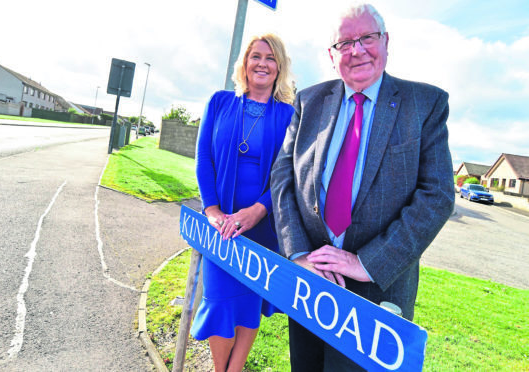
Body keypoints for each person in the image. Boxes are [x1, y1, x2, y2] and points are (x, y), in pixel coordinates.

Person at [270, 3, 455, 371]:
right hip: (310, 283)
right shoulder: (308, 101)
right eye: (345, 43)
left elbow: (437, 196)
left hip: (377, 294)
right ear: (331, 54)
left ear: (385, 41)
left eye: (367, 38)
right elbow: (282, 178)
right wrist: (299, 256)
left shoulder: (425, 104)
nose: (357, 50)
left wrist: (364, 263)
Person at [190, 33, 295, 372]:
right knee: (219, 301)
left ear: (279, 67)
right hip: (222, 227)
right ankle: (221, 369)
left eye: (270, 58)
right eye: (256, 56)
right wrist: (212, 210)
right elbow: (204, 157)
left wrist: (258, 209)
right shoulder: (219, 102)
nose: (262, 63)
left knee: (249, 304)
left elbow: (287, 171)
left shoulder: (289, 115)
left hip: (263, 227)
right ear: (245, 63)